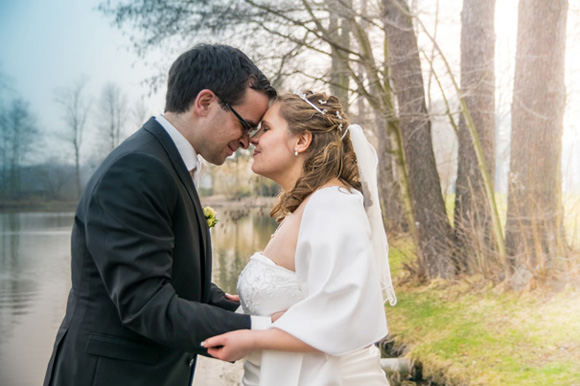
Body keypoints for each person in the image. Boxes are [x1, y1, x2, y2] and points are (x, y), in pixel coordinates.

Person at [43, 44, 277, 386]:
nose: (246, 142)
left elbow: (166, 271)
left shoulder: (166, 161)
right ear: (205, 102)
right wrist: (262, 330)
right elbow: (146, 305)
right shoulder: (138, 169)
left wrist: (236, 308)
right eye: (245, 125)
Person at [202, 91, 397, 385]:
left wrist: (252, 338)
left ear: (301, 141)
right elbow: (311, 297)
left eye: (266, 129)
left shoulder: (331, 204)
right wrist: (256, 303)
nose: (252, 139)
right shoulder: (306, 206)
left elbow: (342, 314)